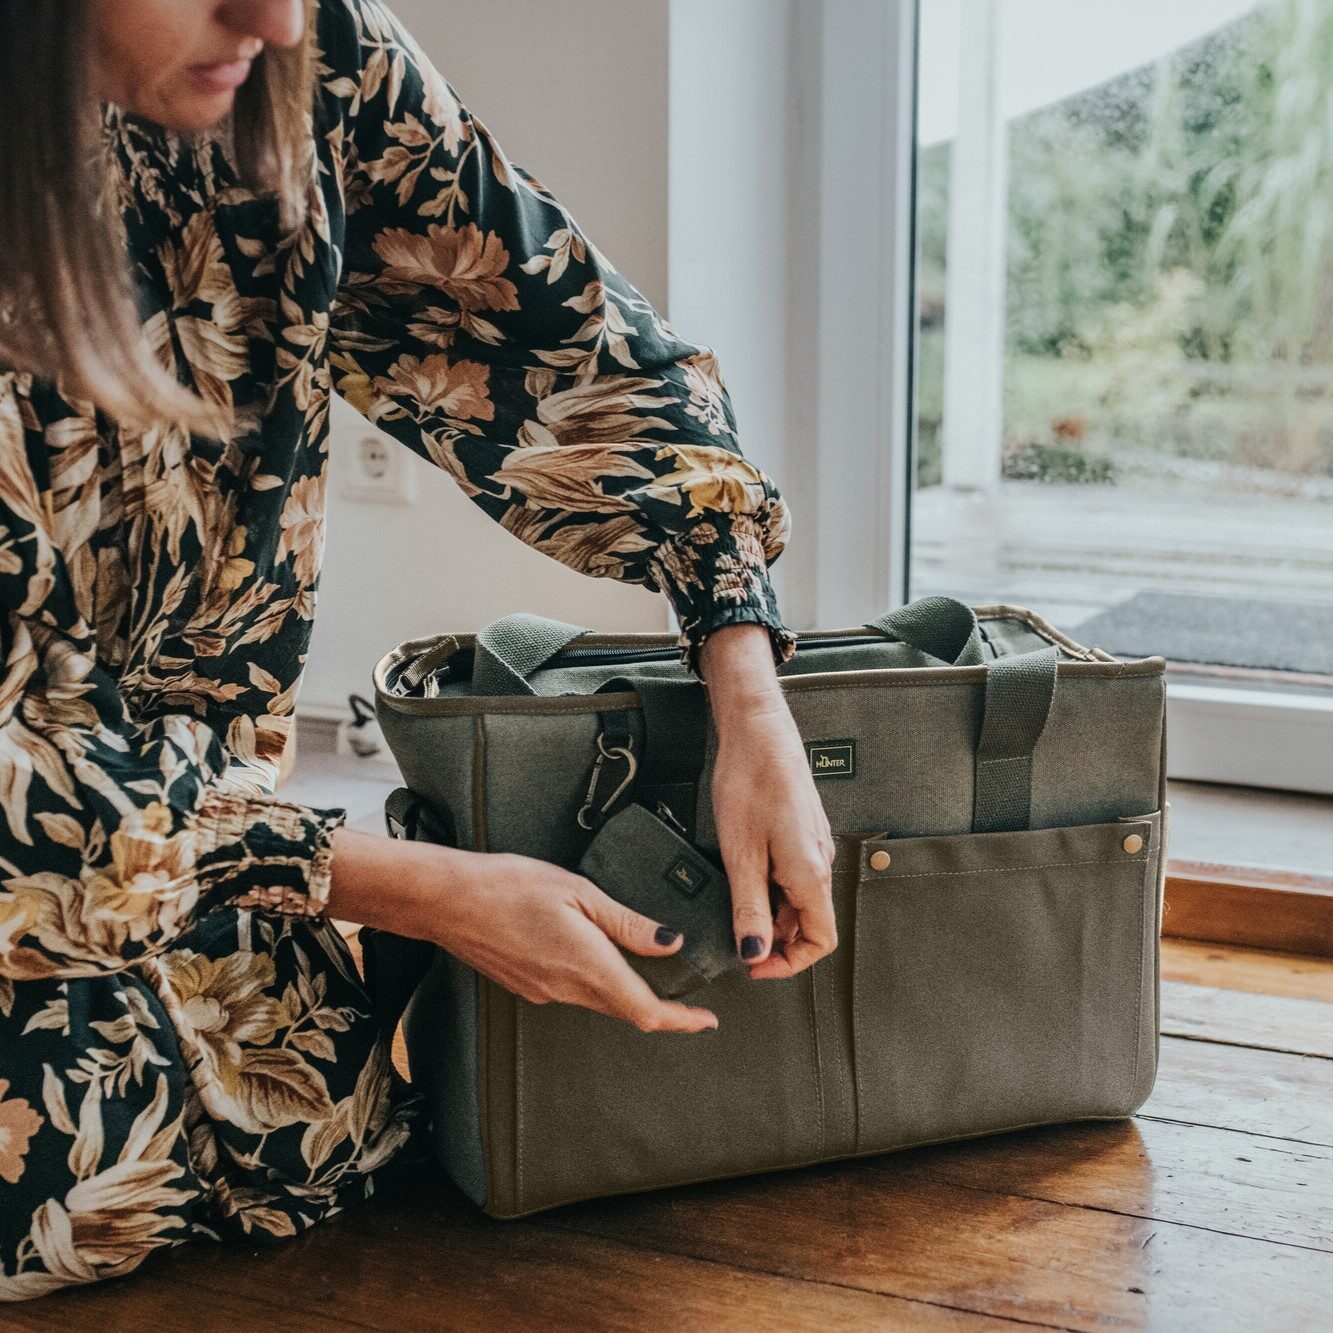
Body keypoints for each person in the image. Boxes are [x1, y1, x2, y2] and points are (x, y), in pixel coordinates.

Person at [0, 0, 836, 1301]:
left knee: (334, 1124)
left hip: (206, 896)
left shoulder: (301, 49)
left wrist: (746, 681)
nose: (274, 17)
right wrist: (416, 888)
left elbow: (563, 339)